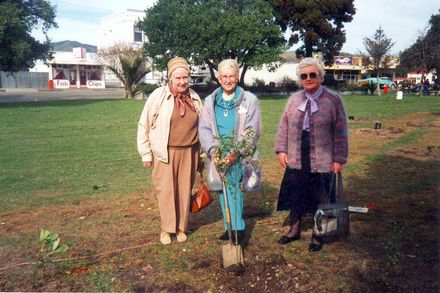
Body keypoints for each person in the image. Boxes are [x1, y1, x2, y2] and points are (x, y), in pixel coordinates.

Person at [274, 57, 348, 252]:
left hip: (323, 157)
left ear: (321, 77)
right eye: (304, 76)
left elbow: (340, 131)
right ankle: (294, 229)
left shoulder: (333, 100)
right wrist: (281, 150)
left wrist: (339, 158)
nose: (308, 78)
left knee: (321, 196)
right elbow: (284, 126)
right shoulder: (294, 100)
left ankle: (318, 234)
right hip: (297, 154)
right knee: (296, 192)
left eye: (312, 75)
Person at [137, 57, 202, 245]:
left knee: (183, 191)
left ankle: (181, 227)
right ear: (170, 79)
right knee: (166, 191)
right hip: (165, 153)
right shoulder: (158, 96)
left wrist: (203, 153)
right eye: (178, 78)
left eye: (186, 77)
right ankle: (166, 229)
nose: (182, 82)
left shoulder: (195, 98)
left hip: (190, 152)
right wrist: (146, 153)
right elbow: (144, 124)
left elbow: (203, 127)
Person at [199, 59, 261, 244]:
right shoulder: (210, 101)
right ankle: (229, 227)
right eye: (224, 76)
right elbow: (204, 128)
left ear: (237, 77)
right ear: (218, 78)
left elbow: (252, 130)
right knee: (221, 189)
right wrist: (213, 150)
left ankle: (238, 230)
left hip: (238, 154)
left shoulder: (249, 100)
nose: (228, 80)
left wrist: (235, 153)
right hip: (218, 153)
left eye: (231, 76)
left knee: (234, 189)